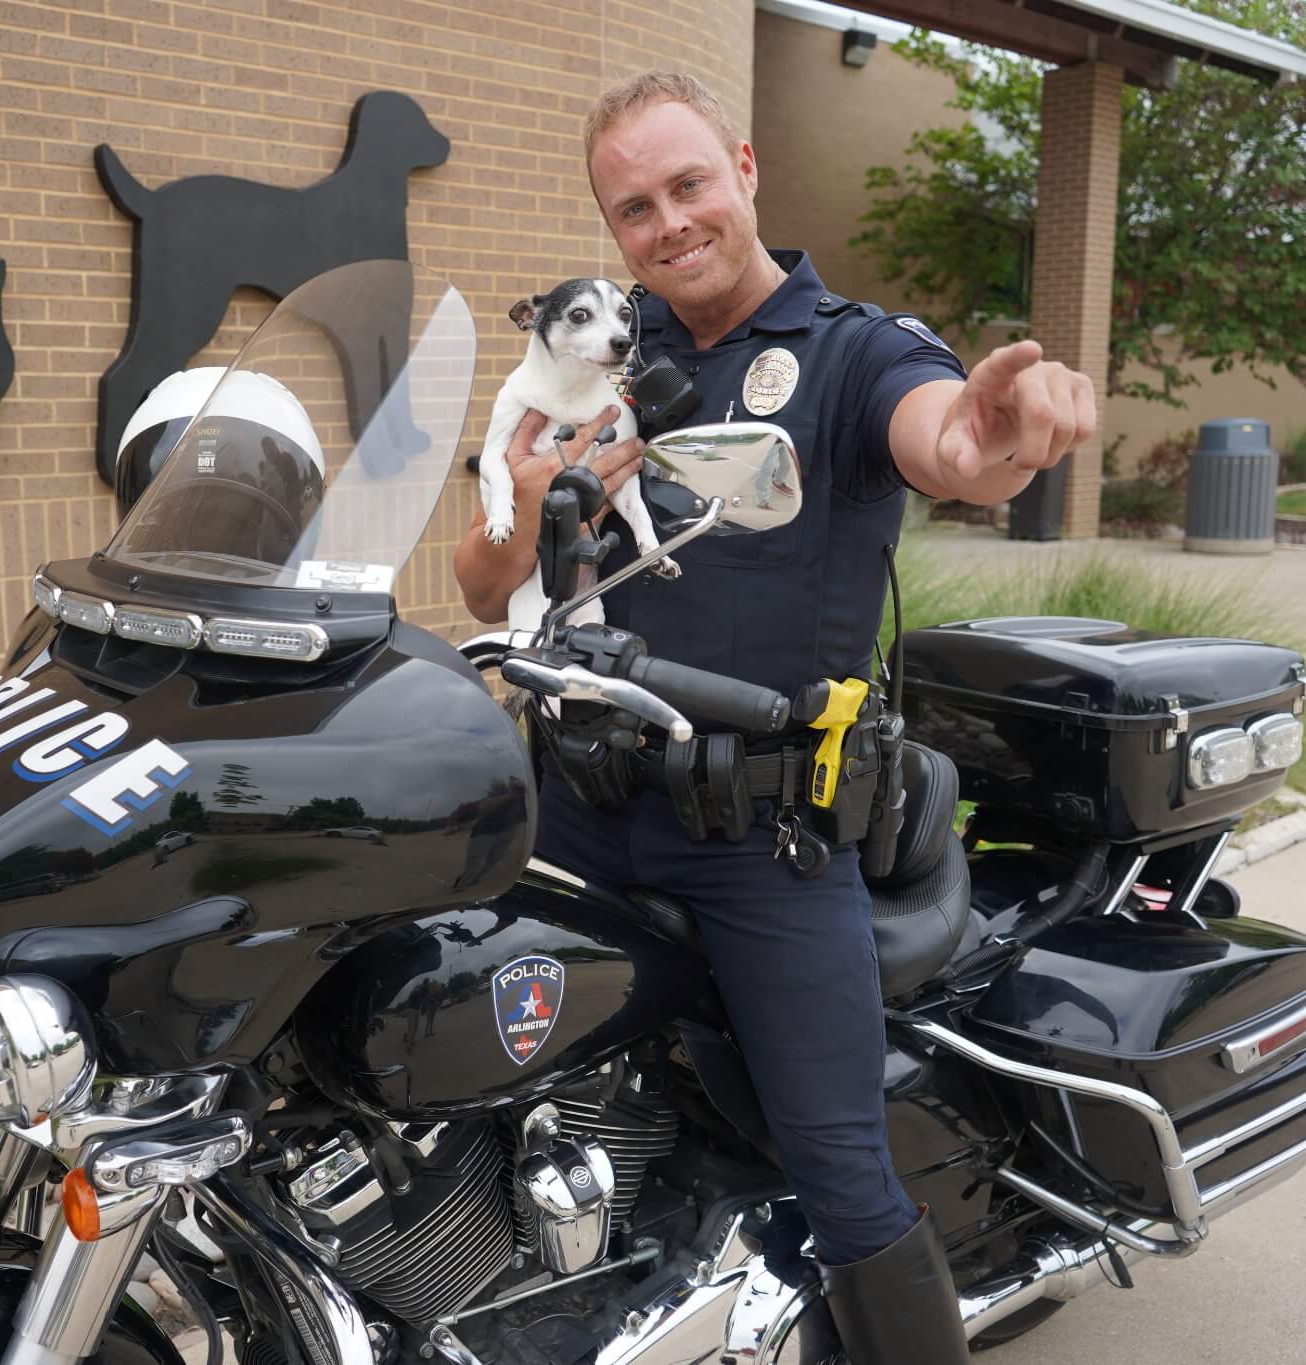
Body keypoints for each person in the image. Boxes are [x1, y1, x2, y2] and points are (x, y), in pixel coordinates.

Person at [453, 71, 1098, 1365]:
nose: (668, 222)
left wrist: (993, 435)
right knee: (453, 1073)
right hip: (576, 803)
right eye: (632, 206)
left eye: (688, 184)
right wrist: (529, 502)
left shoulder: (857, 349)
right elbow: (482, 577)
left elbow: (946, 443)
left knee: (836, 1162)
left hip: (758, 835)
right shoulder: (591, 353)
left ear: (744, 168)